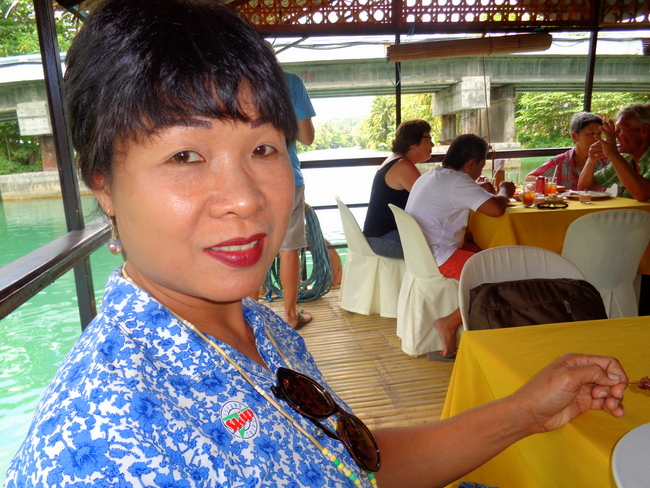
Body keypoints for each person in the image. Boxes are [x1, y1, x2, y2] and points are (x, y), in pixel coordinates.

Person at [4, 2, 629, 487]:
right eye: (186, 154)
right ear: (104, 186)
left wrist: (525, 411)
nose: (246, 197)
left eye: (263, 148)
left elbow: (355, 464)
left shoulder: (260, 328)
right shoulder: (107, 442)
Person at [405, 134, 516, 360]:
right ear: (471, 163)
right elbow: (496, 210)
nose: (479, 172)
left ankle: (491, 323)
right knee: (500, 274)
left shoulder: (431, 176)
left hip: (423, 252)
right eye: (481, 166)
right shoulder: (458, 181)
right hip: (440, 255)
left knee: (495, 255)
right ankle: (449, 323)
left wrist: (481, 190)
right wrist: (505, 190)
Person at [278, 70, 316, 329]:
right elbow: (307, 137)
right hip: (284, 176)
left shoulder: (230, 79)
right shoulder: (289, 82)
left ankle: (248, 318)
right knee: (288, 249)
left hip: (242, 178)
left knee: (248, 247)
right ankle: (290, 315)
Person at [362, 119, 432, 259]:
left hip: (378, 236)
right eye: (428, 139)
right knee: (441, 248)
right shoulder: (403, 166)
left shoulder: (396, 160)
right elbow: (430, 202)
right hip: (383, 239)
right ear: (413, 143)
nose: (433, 144)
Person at [578, 102, 650, 202]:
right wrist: (591, 161)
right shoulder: (627, 158)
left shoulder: (619, 159)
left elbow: (642, 194)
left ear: (644, 131)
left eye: (620, 130)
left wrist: (613, 154)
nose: (615, 135)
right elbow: (585, 189)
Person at [525, 111, 609, 190]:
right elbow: (529, 179)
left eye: (600, 133)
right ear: (575, 137)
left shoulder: (606, 161)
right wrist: (553, 187)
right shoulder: (559, 162)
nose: (598, 138)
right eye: (592, 133)